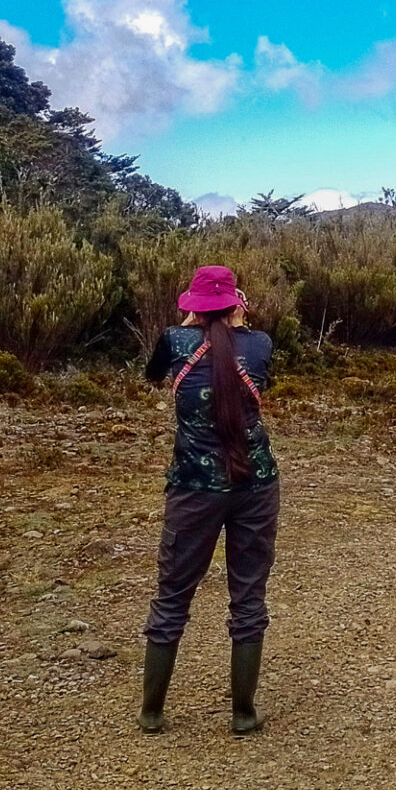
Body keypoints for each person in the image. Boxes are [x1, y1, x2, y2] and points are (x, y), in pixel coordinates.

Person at [138, 265, 280, 735]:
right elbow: (260, 377)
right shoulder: (259, 345)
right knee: (248, 596)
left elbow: (152, 374)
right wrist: (237, 324)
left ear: (192, 306)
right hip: (255, 485)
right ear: (236, 304)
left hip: (193, 489)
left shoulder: (174, 341)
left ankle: (152, 712)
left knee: (173, 595)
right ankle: (243, 713)